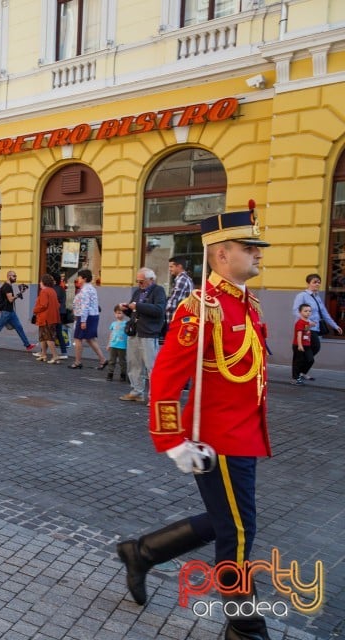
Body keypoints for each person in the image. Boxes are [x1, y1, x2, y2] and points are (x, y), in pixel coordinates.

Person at [117, 207, 272, 640]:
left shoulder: (245, 301)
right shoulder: (200, 308)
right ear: (221, 255)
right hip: (218, 440)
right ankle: (246, 629)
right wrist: (173, 440)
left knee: (231, 522)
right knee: (238, 534)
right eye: (249, 247)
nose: (258, 254)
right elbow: (166, 378)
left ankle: (142, 552)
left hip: (243, 435)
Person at [119, 267, 167, 401]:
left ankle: (154, 396)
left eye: (142, 281)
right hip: (134, 331)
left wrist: (137, 306)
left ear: (151, 280)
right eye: (138, 281)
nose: (139, 284)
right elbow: (134, 310)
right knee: (134, 363)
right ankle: (137, 391)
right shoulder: (137, 292)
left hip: (148, 333)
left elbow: (159, 310)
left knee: (151, 366)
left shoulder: (158, 291)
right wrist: (126, 308)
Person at [291, 273, 343, 379]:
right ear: (308, 283)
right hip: (305, 328)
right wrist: (307, 321)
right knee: (308, 350)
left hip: (315, 328)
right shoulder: (302, 296)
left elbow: (324, 313)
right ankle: (297, 374)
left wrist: (335, 325)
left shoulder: (317, 297)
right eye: (314, 282)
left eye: (319, 282)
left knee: (313, 349)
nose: (317, 284)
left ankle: (301, 371)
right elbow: (295, 311)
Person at [0, 271, 34, 352]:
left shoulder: (9, 286)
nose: (15, 277)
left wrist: (20, 292)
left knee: (19, 328)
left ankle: (27, 345)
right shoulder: (7, 286)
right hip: (6, 312)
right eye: (14, 276)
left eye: (16, 276)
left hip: (11, 312)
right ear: (8, 276)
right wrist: (18, 295)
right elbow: (10, 299)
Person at [69, 269, 107, 369]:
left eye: (80, 277)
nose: (78, 279)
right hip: (93, 315)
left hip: (85, 316)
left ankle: (77, 362)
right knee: (90, 339)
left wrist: (83, 321)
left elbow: (85, 306)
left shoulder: (85, 290)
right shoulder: (91, 288)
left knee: (78, 339)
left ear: (84, 278)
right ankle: (103, 359)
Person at [32, 274, 60, 363]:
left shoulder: (44, 291)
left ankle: (55, 356)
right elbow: (57, 304)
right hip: (52, 317)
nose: (39, 283)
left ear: (44, 282)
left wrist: (35, 310)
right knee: (43, 337)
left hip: (45, 318)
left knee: (48, 338)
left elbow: (43, 305)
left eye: (40, 281)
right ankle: (43, 354)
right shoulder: (53, 291)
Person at [166, 256, 194, 327]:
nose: (170, 269)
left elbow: (173, 300)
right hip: (183, 318)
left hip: (177, 319)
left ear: (179, 266)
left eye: (171, 267)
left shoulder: (181, 279)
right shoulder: (186, 278)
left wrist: (163, 310)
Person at [291, 303, 314, 385]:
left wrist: (310, 325)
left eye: (310, 311)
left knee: (310, 360)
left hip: (307, 345)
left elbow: (304, 330)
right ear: (300, 312)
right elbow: (299, 334)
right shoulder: (299, 322)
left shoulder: (307, 322)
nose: (308, 312)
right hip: (298, 345)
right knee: (297, 362)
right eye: (305, 311)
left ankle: (302, 373)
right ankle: (295, 379)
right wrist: (300, 345)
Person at [105, 304, 129, 382]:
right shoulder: (113, 324)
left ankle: (123, 375)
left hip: (122, 346)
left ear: (124, 313)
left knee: (122, 361)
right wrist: (109, 344)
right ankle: (110, 374)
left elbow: (128, 335)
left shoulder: (126, 324)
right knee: (112, 360)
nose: (118, 315)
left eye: (120, 313)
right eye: (117, 313)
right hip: (113, 345)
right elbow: (111, 334)